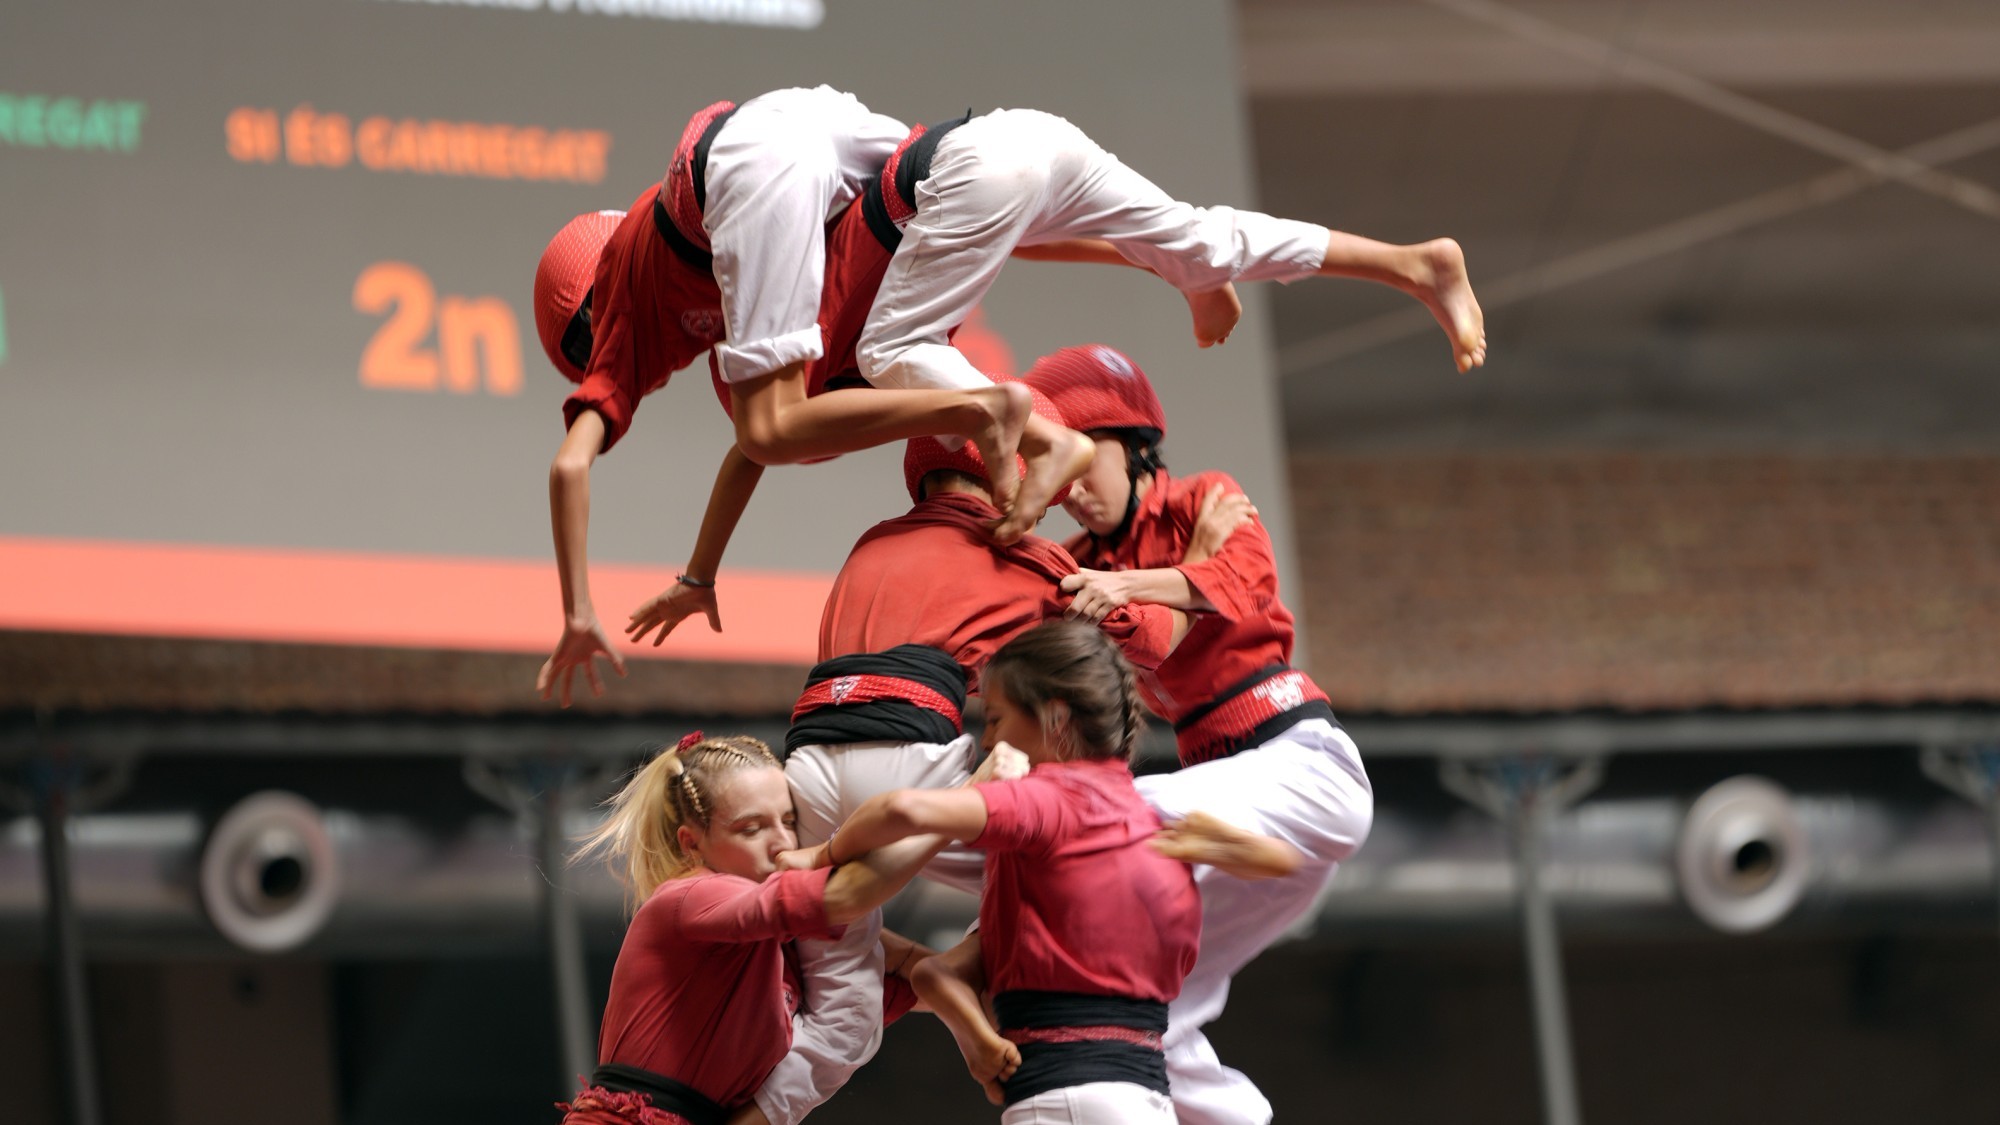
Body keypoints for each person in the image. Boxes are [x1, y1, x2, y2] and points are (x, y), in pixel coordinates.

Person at [534, 89, 1115, 705]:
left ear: (591, 315)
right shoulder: (733, 286)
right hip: (839, 153)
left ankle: (982, 406)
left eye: (585, 347)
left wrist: (576, 613)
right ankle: (1036, 432)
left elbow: (571, 464)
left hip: (739, 161)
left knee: (768, 424)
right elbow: (987, 212)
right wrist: (1154, 257)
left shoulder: (627, 306)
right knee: (957, 195)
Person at [745, 387, 1198, 1125]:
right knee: (1084, 852)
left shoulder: (872, 541)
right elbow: (1146, 638)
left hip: (809, 768)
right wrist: (1181, 577)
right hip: (911, 759)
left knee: (841, 1026)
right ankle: (958, 977)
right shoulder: (1020, 551)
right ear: (1010, 469)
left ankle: (935, 987)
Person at [1025, 344, 1375, 1125]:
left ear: (1134, 442)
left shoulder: (1201, 496)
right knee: (1155, 1006)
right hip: (1236, 822)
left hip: (1303, 768)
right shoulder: (1076, 565)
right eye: (1056, 473)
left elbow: (1238, 586)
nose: (1072, 492)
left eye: (1085, 463)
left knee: (1102, 810)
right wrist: (1176, 571)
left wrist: (1139, 581)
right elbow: (1156, 637)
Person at [792, 622, 1204, 1123]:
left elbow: (899, 809)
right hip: (1142, 1096)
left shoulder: (1053, 800)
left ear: (1054, 718)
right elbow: (937, 972)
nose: (985, 740)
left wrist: (817, 856)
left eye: (994, 719)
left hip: (1070, 1095)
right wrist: (979, 1043)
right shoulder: (1146, 827)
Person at [854, 107, 1488, 402]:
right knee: (1199, 241)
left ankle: (1031, 428)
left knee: (889, 351)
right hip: (1031, 136)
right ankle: (1412, 264)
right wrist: (1179, 270)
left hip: (979, 166)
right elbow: (1027, 241)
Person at [559, 731, 1021, 1125]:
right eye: (751, 828)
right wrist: (958, 807)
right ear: (691, 842)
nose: (781, 842)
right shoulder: (685, 899)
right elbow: (847, 897)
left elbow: (913, 973)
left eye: (789, 821)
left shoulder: (781, 948)